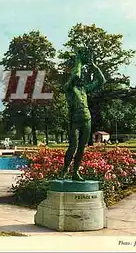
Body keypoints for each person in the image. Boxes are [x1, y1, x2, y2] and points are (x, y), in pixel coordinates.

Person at [59, 48, 106, 181]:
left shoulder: (84, 89)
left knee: (82, 148)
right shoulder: (69, 88)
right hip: (74, 121)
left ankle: (75, 172)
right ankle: (64, 170)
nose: (81, 79)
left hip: (87, 120)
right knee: (73, 146)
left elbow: (101, 81)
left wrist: (93, 65)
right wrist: (78, 61)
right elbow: (76, 76)